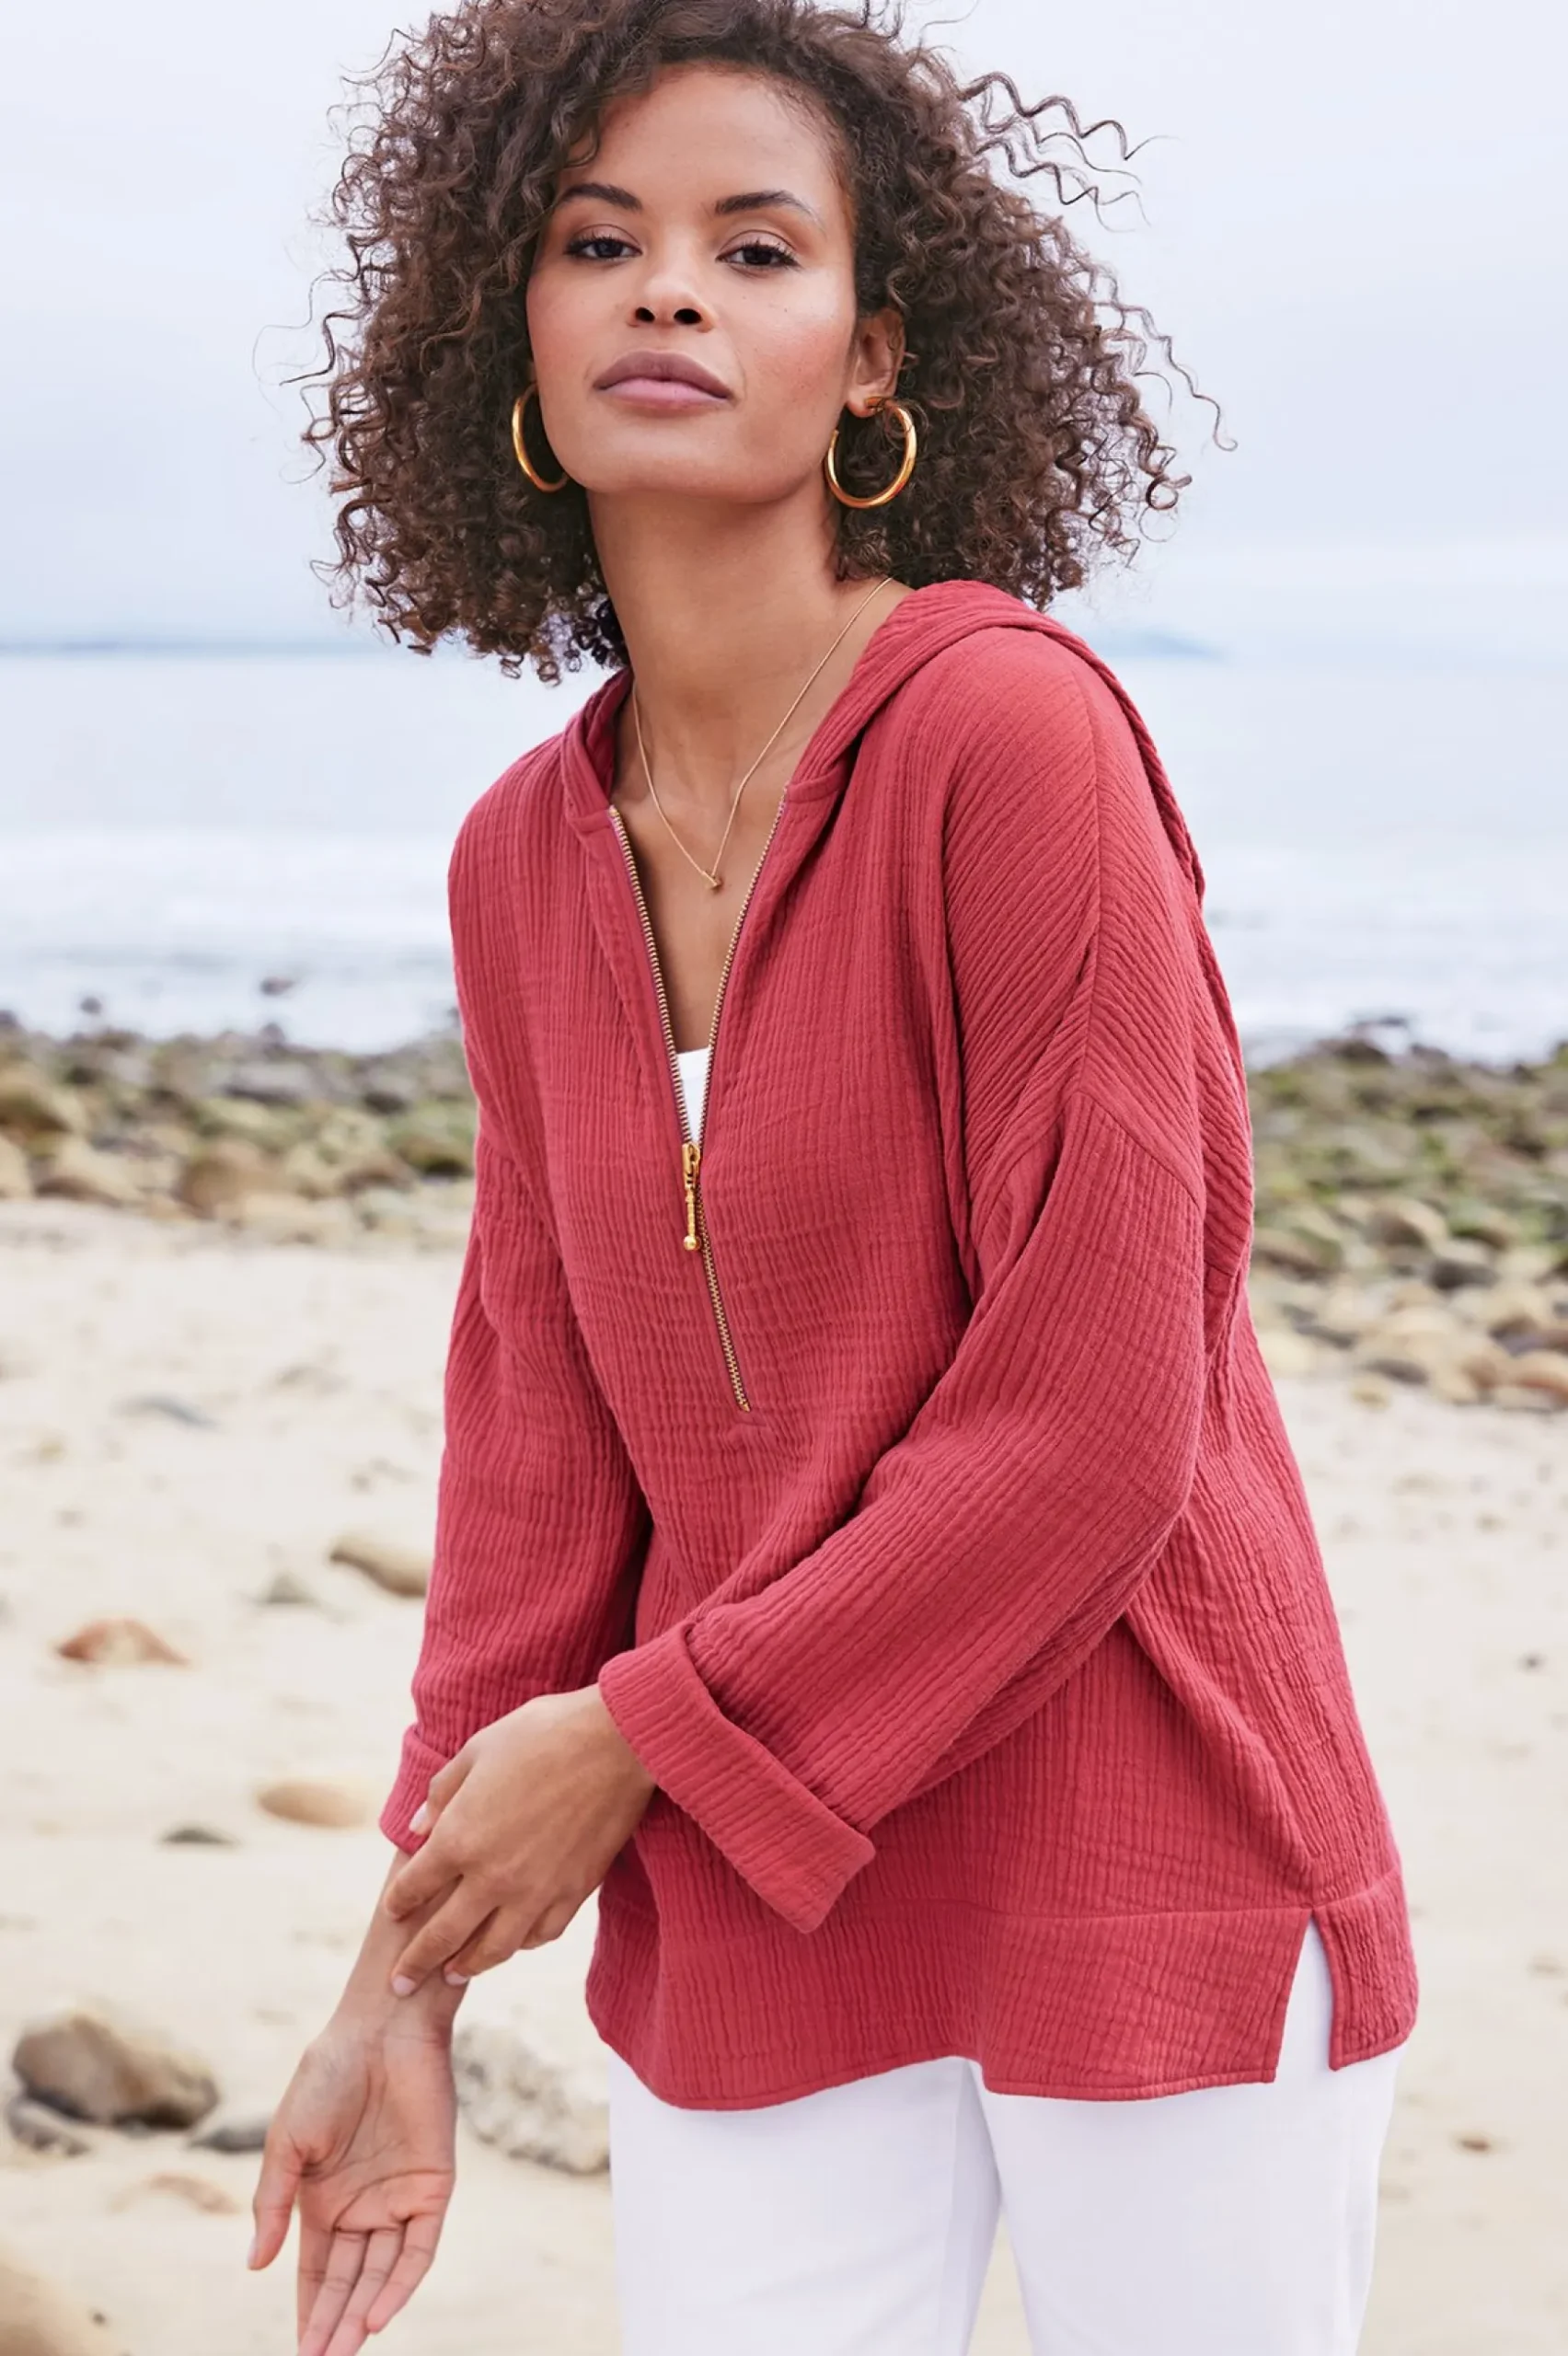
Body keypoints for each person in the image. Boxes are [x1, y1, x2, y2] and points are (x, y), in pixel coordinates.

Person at [248, 4, 1419, 2351]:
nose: (671, 287)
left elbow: (1097, 1416)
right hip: (751, 1902)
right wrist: (403, 1973)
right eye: (602, 242)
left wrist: (637, 1738)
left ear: (876, 357)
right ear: (514, 331)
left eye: (757, 247)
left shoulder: (1012, 735)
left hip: (1148, 1847)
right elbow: (538, 1455)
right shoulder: (519, 863)